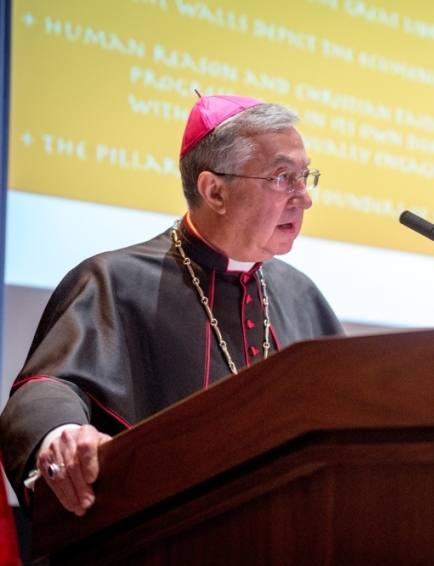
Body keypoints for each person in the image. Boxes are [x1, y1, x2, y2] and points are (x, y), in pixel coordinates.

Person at [0, 95, 343, 517]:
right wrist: (64, 435)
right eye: (282, 176)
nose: (304, 197)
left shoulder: (301, 295)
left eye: (305, 175)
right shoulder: (114, 280)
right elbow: (45, 390)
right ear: (214, 191)